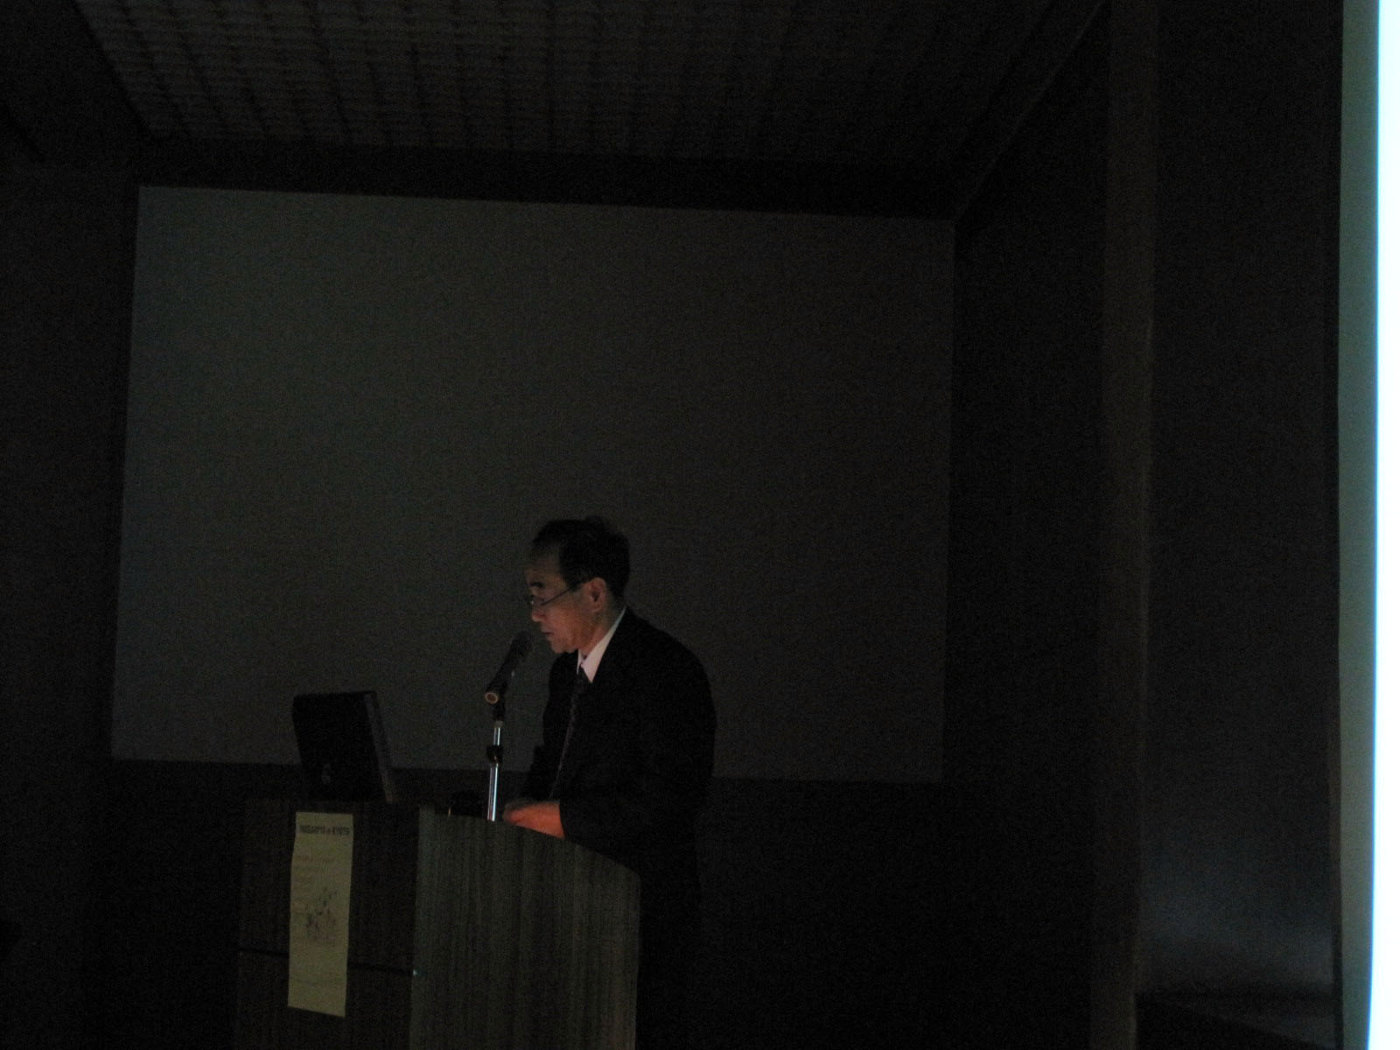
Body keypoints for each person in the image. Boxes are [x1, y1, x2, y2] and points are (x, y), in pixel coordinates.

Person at [504, 517, 716, 1049]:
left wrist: (561, 819)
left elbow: (671, 796)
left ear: (594, 593)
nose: (535, 613)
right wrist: (525, 808)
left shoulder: (665, 668)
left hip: (639, 914)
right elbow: (553, 763)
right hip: (571, 906)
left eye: (543, 595)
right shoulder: (565, 672)